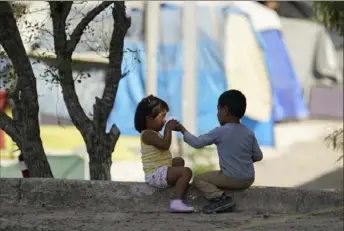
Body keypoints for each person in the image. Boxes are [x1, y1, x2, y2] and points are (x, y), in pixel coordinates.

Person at [175, 89, 263, 214]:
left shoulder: (220, 131)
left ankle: (220, 199)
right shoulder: (248, 132)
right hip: (249, 178)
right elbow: (258, 156)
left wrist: (182, 130)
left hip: (231, 178)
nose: (217, 114)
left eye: (218, 110)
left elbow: (197, 143)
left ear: (225, 110)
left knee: (199, 179)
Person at [134, 94, 194, 213]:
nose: (164, 120)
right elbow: (165, 145)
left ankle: (176, 186)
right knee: (186, 171)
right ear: (149, 118)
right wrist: (168, 129)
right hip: (155, 174)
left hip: (161, 169)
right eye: (162, 116)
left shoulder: (154, 133)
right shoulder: (147, 134)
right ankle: (177, 202)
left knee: (178, 161)